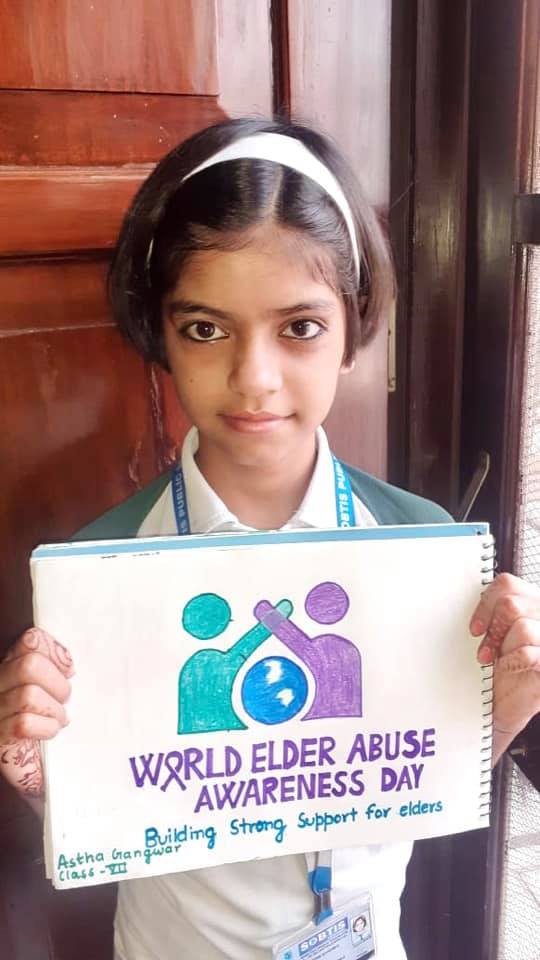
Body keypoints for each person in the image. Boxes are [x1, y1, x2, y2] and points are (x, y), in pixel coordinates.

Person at [1, 117, 539, 960]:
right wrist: (43, 778)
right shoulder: (103, 567)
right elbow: (112, 813)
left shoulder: (420, 547)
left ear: (354, 329)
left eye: (299, 327)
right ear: (160, 334)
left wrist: (502, 705)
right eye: (205, 328)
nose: (254, 378)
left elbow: (422, 778)